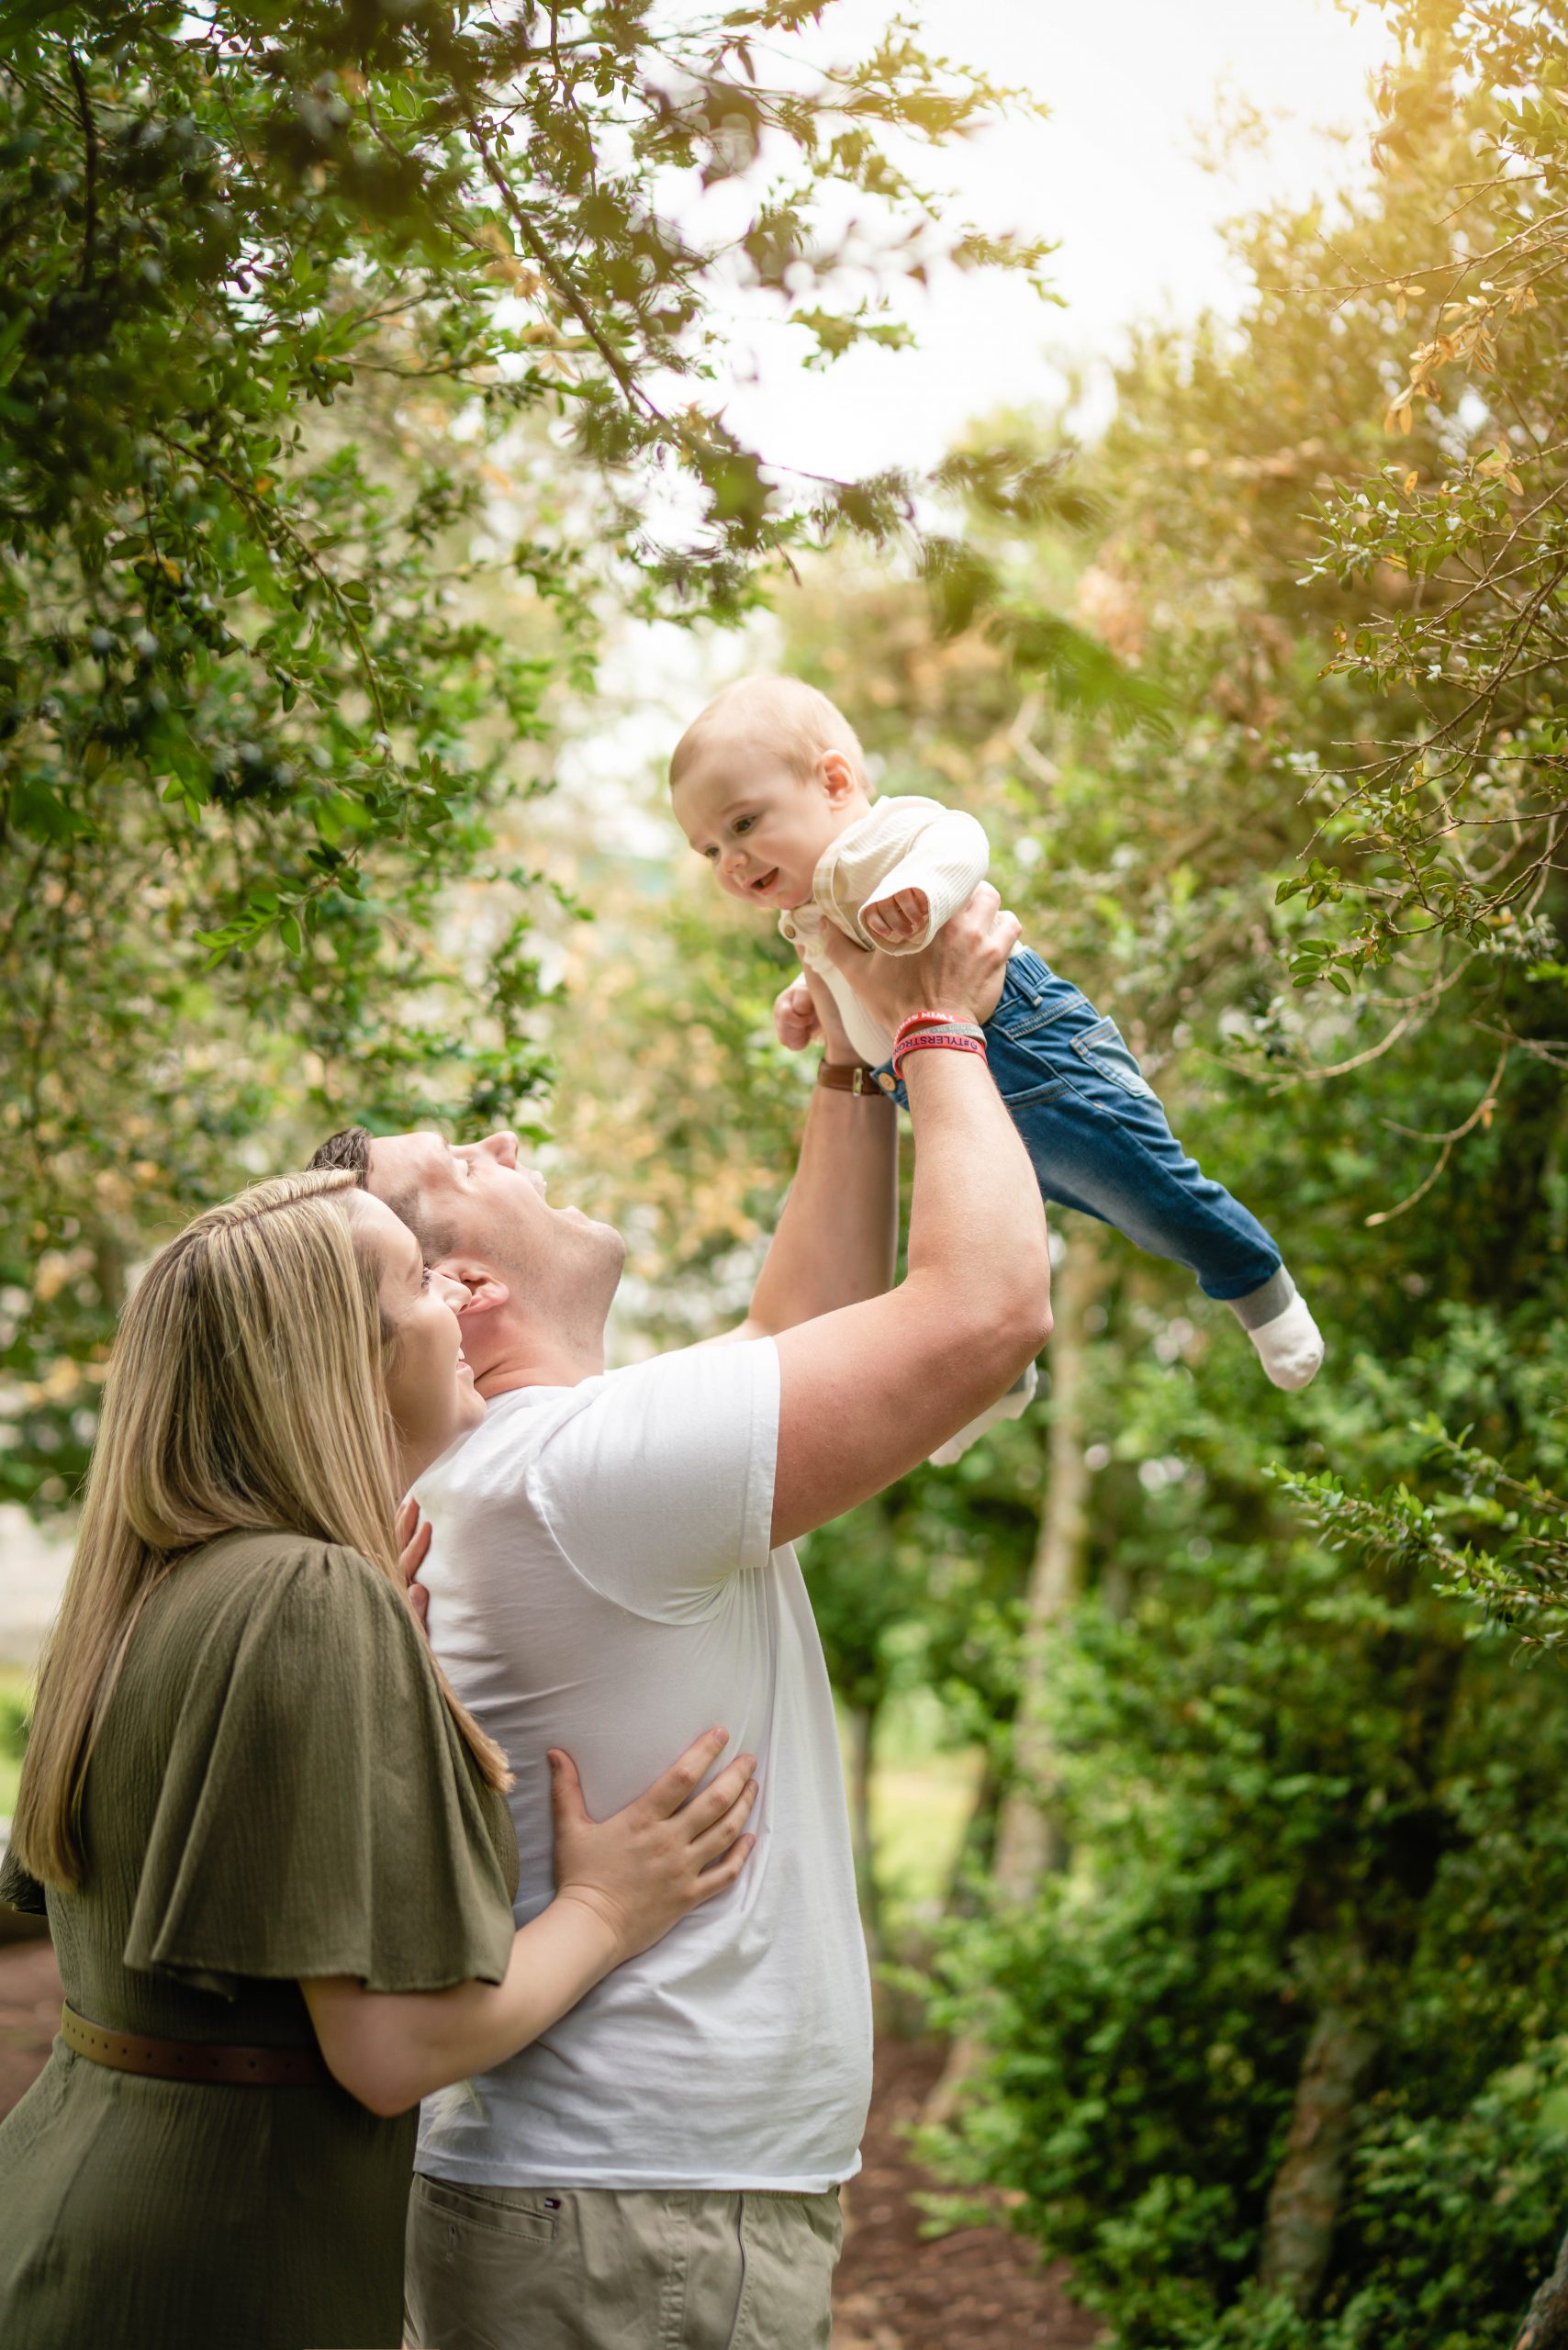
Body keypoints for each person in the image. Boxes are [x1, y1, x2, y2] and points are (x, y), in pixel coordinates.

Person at [308, 883, 1049, 2350]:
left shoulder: (540, 1466)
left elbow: (796, 1338)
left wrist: (849, 1069)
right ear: (458, 1286)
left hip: (618, 2210)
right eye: (464, 1162)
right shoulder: (573, 1474)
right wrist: (935, 1027)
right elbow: (986, 1313)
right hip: (637, 2224)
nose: (505, 1142)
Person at [0, 1169, 758, 2350]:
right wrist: (608, 1905)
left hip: (72, 2208)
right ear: (337, 1360)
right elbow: (393, 2048)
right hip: (219, 2259)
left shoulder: (156, 1588)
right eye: (416, 1280)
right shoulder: (306, 1592)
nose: (455, 1297)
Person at [669, 672, 1324, 1459]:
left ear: (835, 782)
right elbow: (850, 972)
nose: (731, 860)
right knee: (972, 1234)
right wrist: (811, 1001)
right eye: (711, 850)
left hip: (1030, 1049)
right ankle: (993, 1381)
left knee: (1141, 1185)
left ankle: (1256, 1281)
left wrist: (920, 889)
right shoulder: (807, 908)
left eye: (744, 823)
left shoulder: (880, 840)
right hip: (933, 1078)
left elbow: (961, 840)